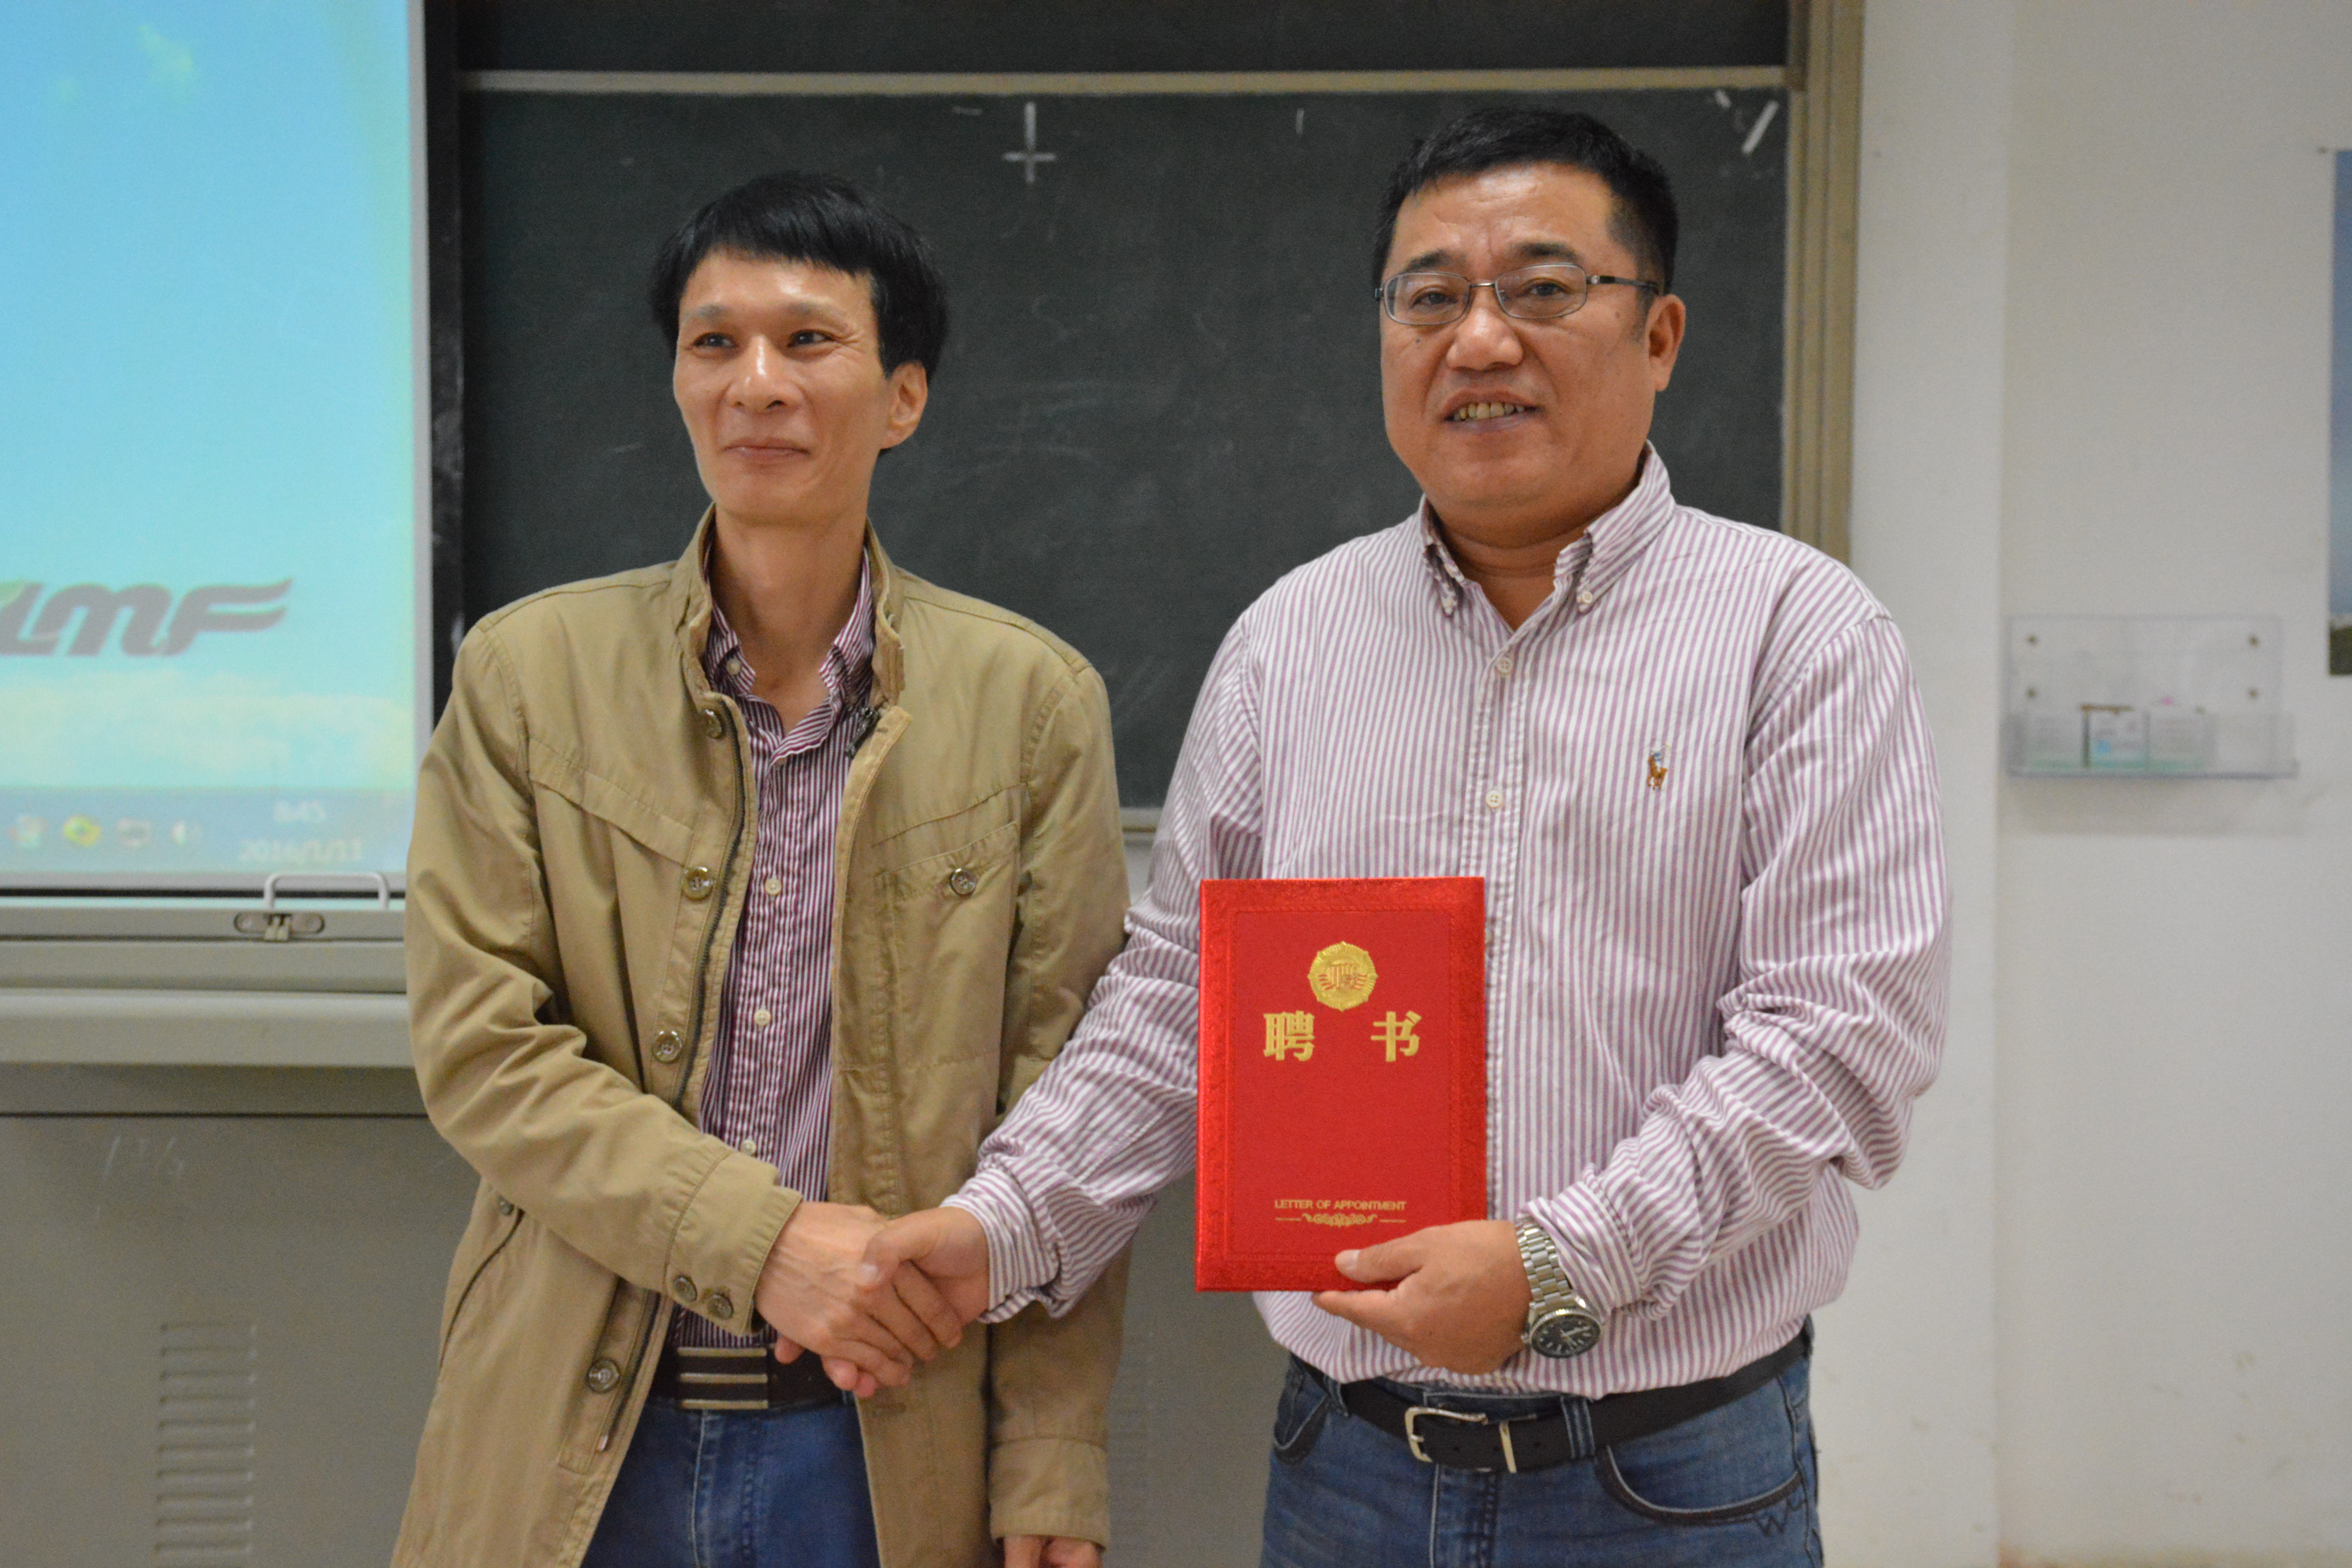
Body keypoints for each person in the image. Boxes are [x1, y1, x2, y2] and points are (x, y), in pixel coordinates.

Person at [855, 108, 1950, 1566]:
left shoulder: (1797, 632)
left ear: (1662, 334)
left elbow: (1839, 1039)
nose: (1479, 340)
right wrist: (1000, 1224)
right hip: (1348, 1469)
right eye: (1429, 298)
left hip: (1668, 1479)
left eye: (1544, 289)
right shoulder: (1290, 644)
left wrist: (1557, 1267)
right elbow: (1181, 1005)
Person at [393, 172, 1129, 1568]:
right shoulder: (528, 675)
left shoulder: (1032, 704)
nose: (757, 386)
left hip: (879, 1439)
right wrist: (766, 1242)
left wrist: (1051, 1459)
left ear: (903, 398)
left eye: (809, 342)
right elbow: (483, 1050)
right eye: (714, 343)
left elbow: (1067, 1113)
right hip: (575, 1421)